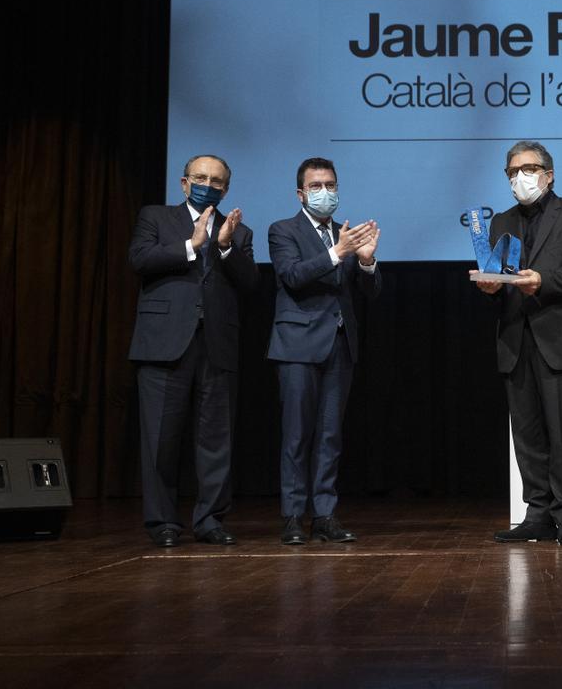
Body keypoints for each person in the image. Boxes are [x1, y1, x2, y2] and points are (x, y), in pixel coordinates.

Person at [472, 141, 562, 546]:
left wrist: (543, 281)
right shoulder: (502, 221)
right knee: (527, 437)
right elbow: (499, 275)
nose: (519, 178)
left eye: (528, 169)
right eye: (512, 172)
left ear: (549, 174)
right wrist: (489, 287)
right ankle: (537, 514)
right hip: (516, 341)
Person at [128, 154, 257, 548]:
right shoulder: (156, 217)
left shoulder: (239, 231)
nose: (208, 185)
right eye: (200, 178)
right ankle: (163, 522)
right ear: (184, 183)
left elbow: (250, 283)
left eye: (216, 181)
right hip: (165, 341)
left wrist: (222, 249)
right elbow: (139, 259)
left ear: (226, 189)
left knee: (216, 439)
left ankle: (210, 520)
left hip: (216, 344)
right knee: (160, 440)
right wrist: (191, 245)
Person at [267, 157, 381, 545]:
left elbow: (369, 292)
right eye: (316, 186)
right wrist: (337, 253)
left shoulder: (344, 233)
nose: (325, 193)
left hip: (339, 344)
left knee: (330, 436)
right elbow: (292, 276)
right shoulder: (283, 230)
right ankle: (293, 518)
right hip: (298, 346)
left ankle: (325, 516)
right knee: (297, 435)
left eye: (330, 185)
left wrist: (366, 263)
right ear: (301, 193)